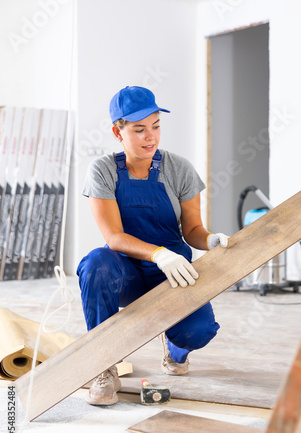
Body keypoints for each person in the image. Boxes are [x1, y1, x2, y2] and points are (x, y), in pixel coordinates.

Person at [77, 85, 229, 405]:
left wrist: (211, 240)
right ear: (118, 132)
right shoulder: (103, 171)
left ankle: (174, 350)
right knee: (95, 264)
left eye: (156, 126)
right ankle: (103, 367)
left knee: (200, 330)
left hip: (173, 273)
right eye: (139, 129)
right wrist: (158, 254)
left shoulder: (179, 168)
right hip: (127, 271)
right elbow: (114, 237)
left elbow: (192, 230)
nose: (151, 137)